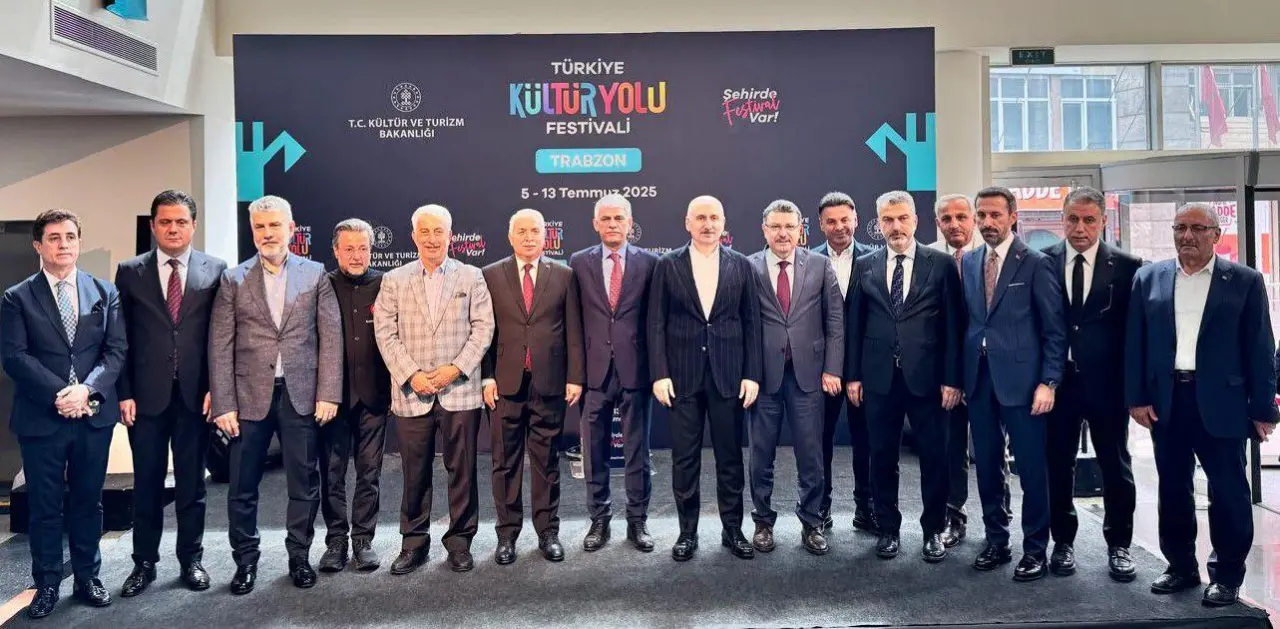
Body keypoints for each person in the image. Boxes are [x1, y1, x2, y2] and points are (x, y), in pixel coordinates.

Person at [1126, 202, 1277, 607]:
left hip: (1224, 402)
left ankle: (1226, 576)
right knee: (1173, 489)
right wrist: (1136, 398)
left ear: (1216, 235)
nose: (1187, 236)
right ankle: (1180, 567)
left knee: (1228, 493)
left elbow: (1261, 347)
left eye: (1197, 228)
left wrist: (1264, 408)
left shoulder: (1244, 280)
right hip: (1167, 401)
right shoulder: (1149, 278)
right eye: (1180, 228)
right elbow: (1135, 343)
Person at [208, 195, 343, 594]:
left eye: (274, 225)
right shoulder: (233, 279)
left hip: (300, 396)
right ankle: (245, 562)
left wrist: (328, 393)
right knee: (241, 487)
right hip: (247, 399)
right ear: (253, 231)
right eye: (260, 227)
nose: (267, 233)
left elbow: (331, 338)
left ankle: (299, 557)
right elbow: (220, 345)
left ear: (291, 229)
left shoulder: (315, 275)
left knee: (304, 483)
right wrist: (223, 403)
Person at [1, 209, 126, 619]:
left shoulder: (104, 291)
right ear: (38, 245)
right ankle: (48, 584)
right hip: (42, 418)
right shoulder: (17, 297)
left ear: (79, 242)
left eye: (70, 236)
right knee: (45, 506)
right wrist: (61, 393)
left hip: (92, 415)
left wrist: (85, 390)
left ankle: (88, 577)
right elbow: (15, 356)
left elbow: (115, 351)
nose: (64, 244)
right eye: (54, 238)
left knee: (89, 503)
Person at [115, 190, 227, 597]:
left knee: (192, 486)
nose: (173, 228)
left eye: (181, 221)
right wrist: (123, 392)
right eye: (165, 222)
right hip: (145, 400)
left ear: (193, 225)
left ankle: (191, 560)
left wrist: (218, 388)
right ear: (153, 226)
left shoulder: (216, 269)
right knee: (146, 484)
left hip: (195, 398)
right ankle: (143, 563)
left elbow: (220, 337)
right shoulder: (130, 271)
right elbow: (120, 338)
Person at [375, 205, 494, 574]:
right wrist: (411, 375)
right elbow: (385, 333)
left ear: (450, 236)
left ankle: (460, 543)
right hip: (412, 393)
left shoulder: (471, 276)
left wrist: (454, 369)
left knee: (463, 472)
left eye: (438, 231)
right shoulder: (394, 280)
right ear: (413, 236)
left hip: (460, 391)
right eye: (424, 232)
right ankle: (414, 544)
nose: (431, 239)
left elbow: (483, 328)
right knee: (414, 473)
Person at [846, 191, 963, 563]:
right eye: (887, 220)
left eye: (901, 219)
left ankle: (932, 531)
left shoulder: (941, 264)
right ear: (878, 224)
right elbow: (854, 325)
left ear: (915, 221)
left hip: (929, 380)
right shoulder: (864, 264)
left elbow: (953, 326)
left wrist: (952, 379)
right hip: (878, 379)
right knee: (881, 457)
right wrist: (853, 376)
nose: (895, 226)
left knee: (934, 458)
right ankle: (888, 529)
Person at [648, 195, 762, 561]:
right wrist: (660, 373)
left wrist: (752, 374)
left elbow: (752, 323)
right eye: (700, 217)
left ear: (724, 223)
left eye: (714, 217)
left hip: (729, 377)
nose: (708, 224)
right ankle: (687, 532)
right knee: (685, 460)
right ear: (688, 223)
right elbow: (656, 323)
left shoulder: (742, 265)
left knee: (730, 458)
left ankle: (733, 530)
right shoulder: (667, 265)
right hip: (682, 378)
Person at [961, 186, 1066, 582]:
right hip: (979, 380)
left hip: (1025, 385)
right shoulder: (970, 261)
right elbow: (971, 322)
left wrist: (1049, 382)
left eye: (995, 215)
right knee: (987, 466)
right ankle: (996, 540)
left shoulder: (1036, 263)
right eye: (982, 215)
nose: (987, 222)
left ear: (1012, 216)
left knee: (1032, 470)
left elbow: (1054, 330)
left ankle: (1035, 549)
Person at [1040, 187, 1141, 582]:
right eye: (1072, 219)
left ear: (1102, 221)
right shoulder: (1042, 261)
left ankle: (1120, 546)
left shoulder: (1128, 267)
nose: (1079, 228)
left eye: (1088, 220)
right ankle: (1063, 543)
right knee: (1057, 465)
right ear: (1062, 220)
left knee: (1115, 466)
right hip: (1059, 385)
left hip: (1107, 386)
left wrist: (1134, 390)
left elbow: (1134, 334)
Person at [482, 208, 584, 565]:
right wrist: (486, 375)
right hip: (504, 384)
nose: (529, 237)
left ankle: (548, 532)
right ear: (510, 236)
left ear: (546, 236)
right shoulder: (490, 274)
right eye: (522, 231)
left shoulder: (565, 275)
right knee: (504, 463)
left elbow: (573, 330)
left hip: (549, 382)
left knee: (546, 462)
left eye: (535, 231)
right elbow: (483, 331)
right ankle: (507, 535)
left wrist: (575, 376)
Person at [746, 199, 842, 555]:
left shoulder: (819, 264)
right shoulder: (748, 266)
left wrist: (833, 367)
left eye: (789, 226)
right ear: (764, 230)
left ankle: (812, 522)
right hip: (763, 377)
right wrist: (746, 374)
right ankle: (762, 521)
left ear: (801, 229)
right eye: (775, 226)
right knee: (760, 455)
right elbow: (741, 323)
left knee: (811, 454)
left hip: (809, 375)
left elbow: (835, 320)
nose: (783, 233)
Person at [568, 194, 659, 552]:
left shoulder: (650, 263)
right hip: (594, 374)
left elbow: (655, 322)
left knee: (638, 451)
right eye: (605, 219)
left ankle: (638, 521)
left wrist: (657, 372)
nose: (612, 224)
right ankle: (599, 520)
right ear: (595, 224)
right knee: (593, 451)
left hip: (636, 371)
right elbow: (574, 324)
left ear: (629, 222)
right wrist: (576, 374)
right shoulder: (579, 262)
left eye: (618, 218)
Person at [317, 219, 392, 573]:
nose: (357, 255)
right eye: (349, 248)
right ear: (335, 251)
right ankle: (336, 540)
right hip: (332, 399)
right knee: (332, 474)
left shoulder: (386, 284)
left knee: (369, 473)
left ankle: (363, 539)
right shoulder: (322, 285)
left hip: (374, 397)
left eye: (363, 248)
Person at [812, 192, 878, 532]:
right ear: (820, 225)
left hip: (863, 370)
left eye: (845, 220)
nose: (839, 227)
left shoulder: (876, 259)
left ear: (856, 220)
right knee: (819, 442)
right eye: (831, 221)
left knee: (865, 441)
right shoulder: (808, 261)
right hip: (821, 371)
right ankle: (820, 508)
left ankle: (866, 508)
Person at [926, 193, 983, 548]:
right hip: (944, 371)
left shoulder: (990, 257)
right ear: (937, 223)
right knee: (951, 448)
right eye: (946, 219)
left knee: (993, 450)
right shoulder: (930, 259)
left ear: (973, 219)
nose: (955, 224)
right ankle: (953, 514)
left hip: (987, 370)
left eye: (962, 217)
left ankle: (999, 518)